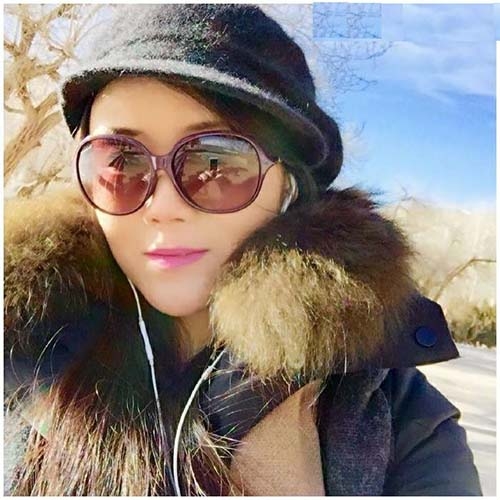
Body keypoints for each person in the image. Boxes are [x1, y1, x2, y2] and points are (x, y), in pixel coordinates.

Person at [4, 4, 482, 496]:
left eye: (217, 162)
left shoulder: (402, 421)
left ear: (289, 187)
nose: (163, 207)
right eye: (122, 163)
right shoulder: (19, 349)